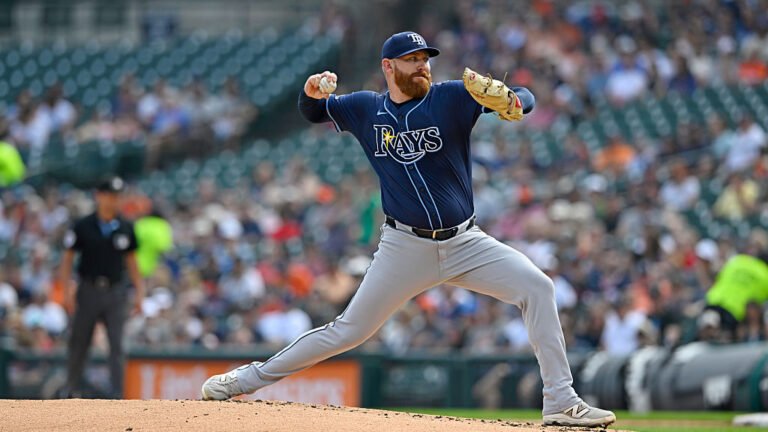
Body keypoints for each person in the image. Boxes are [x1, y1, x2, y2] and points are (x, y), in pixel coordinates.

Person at [202, 31, 616, 427]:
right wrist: (310, 91)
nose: (422, 67)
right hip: (404, 246)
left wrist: (514, 100)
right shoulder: (366, 108)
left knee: (538, 287)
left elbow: (525, 99)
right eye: (412, 60)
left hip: (466, 241)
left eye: (425, 60)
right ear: (388, 67)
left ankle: (561, 401)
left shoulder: (452, 96)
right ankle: (244, 380)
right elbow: (313, 111)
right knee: (348, 331)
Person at [58, 176, 145, 398]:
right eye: (109, 195)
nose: (113, 200)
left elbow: (132, 262)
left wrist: (140, 292)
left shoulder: (126, 227)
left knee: (117, 345)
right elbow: (67, 258)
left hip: (116, 292)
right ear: (99, 196)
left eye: (117, 196)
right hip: (88, 289)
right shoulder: (83, 225)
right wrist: (66, 289)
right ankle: (71, 390)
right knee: (80, 342)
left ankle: (117, 394)